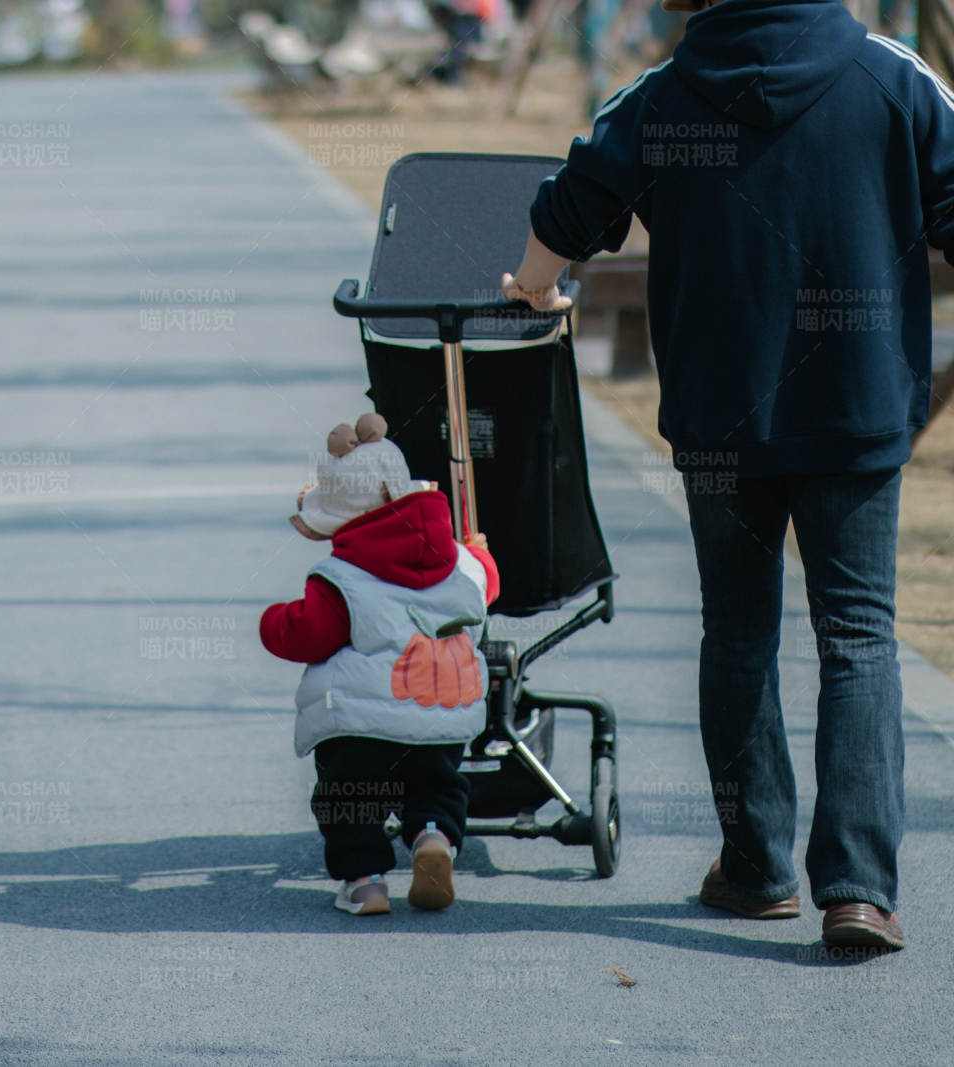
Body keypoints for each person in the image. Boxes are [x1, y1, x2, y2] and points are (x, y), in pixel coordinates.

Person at [500, 0, 948, 951]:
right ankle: (859, 888)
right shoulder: (892, 77)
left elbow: (567, 206)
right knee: (860, 635)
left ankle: (755, 867)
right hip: (857, 412)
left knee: (739, 633)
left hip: (720, 417)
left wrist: (535, 289)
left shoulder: (663, 96)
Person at [260, 414, 499, 915]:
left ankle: (364, 882)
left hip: (361, 724)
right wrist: (480, 555)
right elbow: (488, 587)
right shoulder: (460, 561)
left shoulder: (341, 576)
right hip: (441, 708)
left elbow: (309, 634)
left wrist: (272, 622)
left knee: (350, 794)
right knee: (436, 783)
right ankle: (432, 837)